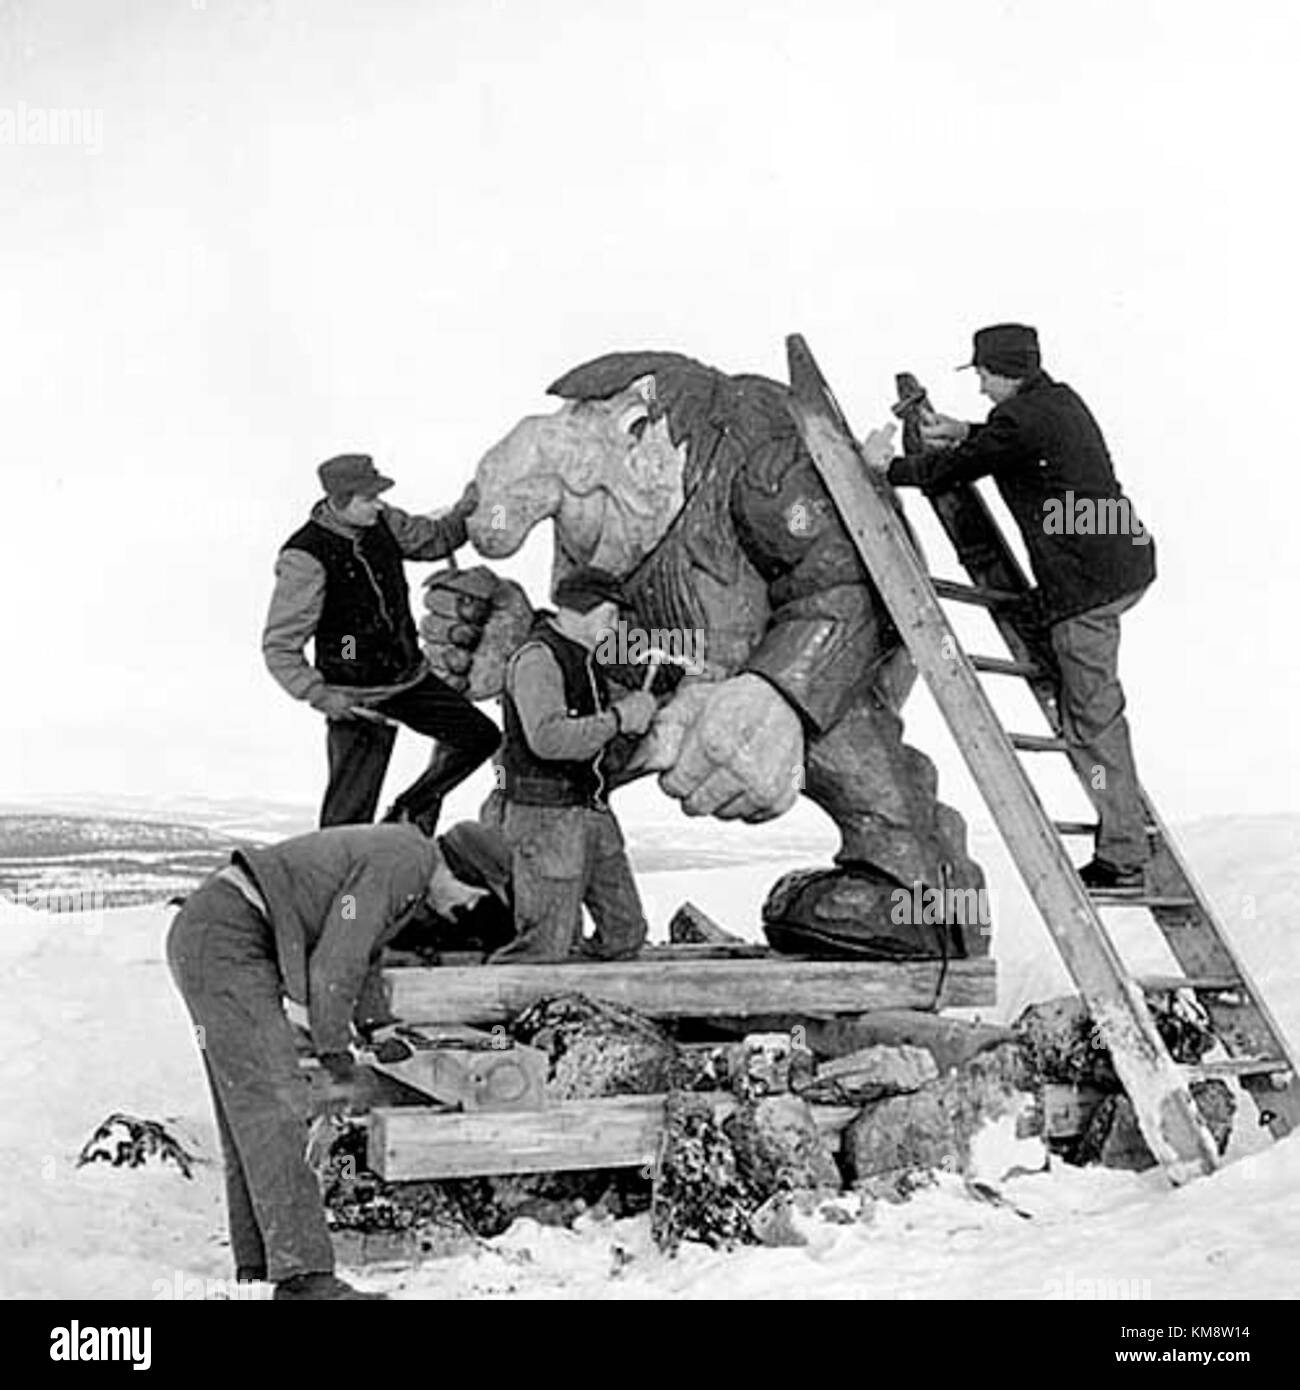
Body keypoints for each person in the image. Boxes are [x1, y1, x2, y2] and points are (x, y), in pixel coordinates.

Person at [863, 323, 1156, 889]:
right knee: (1087, 701)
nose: (979, 386)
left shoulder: (1016, 422)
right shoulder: (1056, 402)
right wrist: (963, 431)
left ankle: (1123, 854)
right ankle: (1124, 827)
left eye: (982, 375)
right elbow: (1010, 442)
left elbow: (950, 470)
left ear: (1002, 372)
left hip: (1086, 588)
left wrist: (885, 467)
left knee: (1091, 720)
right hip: (1124, 560)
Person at [165, 822, 493, 1301]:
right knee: (279, 1107)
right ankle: (306, 1281)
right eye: (472, 897)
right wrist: (334, 1050)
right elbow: (334, 964)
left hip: (213, 934)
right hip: (229, 938)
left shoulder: (405, 865)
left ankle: (262, 1266)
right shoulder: (405, 861)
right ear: (463, 873)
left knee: (251, 1115)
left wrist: (378, 1027)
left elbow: (361, 951)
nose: (464, 909)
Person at [262, 452, 500, 835]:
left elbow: (434, 539)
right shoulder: (305, 557)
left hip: (410, 680)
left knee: (481, 738)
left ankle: (406, 811)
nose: (379, 504)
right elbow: (279, 647)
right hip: (357, 700)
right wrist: (322, 696)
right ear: (341, 502)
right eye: (368, 498)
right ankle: (339, 894)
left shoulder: (384, 521)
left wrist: (467, 510)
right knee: (346, 825)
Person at [489, 566, 656, 962]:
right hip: (547, 818)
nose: (616, 625)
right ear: (584, 608)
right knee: (543, 949)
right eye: (611, 614)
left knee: (625, 934)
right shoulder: (538, 659)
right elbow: (548, 739)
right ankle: (517, 1006)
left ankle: (586, 1002)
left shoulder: (586, 658)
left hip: (590, 810)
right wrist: (619, 719)